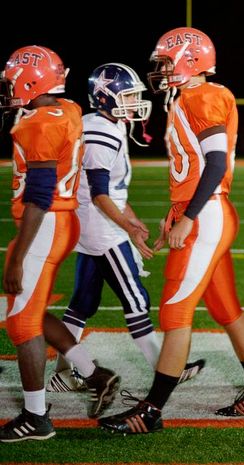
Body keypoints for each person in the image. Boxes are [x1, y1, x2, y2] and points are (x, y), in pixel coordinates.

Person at [99, 27, 244, 435]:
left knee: (175, 311)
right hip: (204, 211)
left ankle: (149, 411)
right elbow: (194, 168)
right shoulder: (188, 98)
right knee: (225, 310)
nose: (160, 71)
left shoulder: (205, 96)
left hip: (208, 214)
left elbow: (214, 165)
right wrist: (175, 211)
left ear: (190, 60)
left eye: (165, 62)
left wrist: (189, 216)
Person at [46, 63, 204, 393]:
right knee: (135, 298)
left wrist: (130, 220)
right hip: (100, 229)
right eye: (128, 96)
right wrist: (125, 228)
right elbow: (102, 195)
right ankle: (166, 370)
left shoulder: (104, 124)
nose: (134, 103)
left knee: (83, 302)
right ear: (105, 97)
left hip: (91, 224)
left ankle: (64, 373)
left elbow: (111, 191)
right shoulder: (102, 132)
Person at [0, 46, 121, 442]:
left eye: (12, 79)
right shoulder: (65, 109)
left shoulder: (38, 124)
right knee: (28, 311)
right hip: (59, 221)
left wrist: (17, 255)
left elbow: (39, 193)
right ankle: (93, 373)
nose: (8, 87)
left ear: (31, 81)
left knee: (20, 321)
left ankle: (37, 418)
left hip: (45, 221)